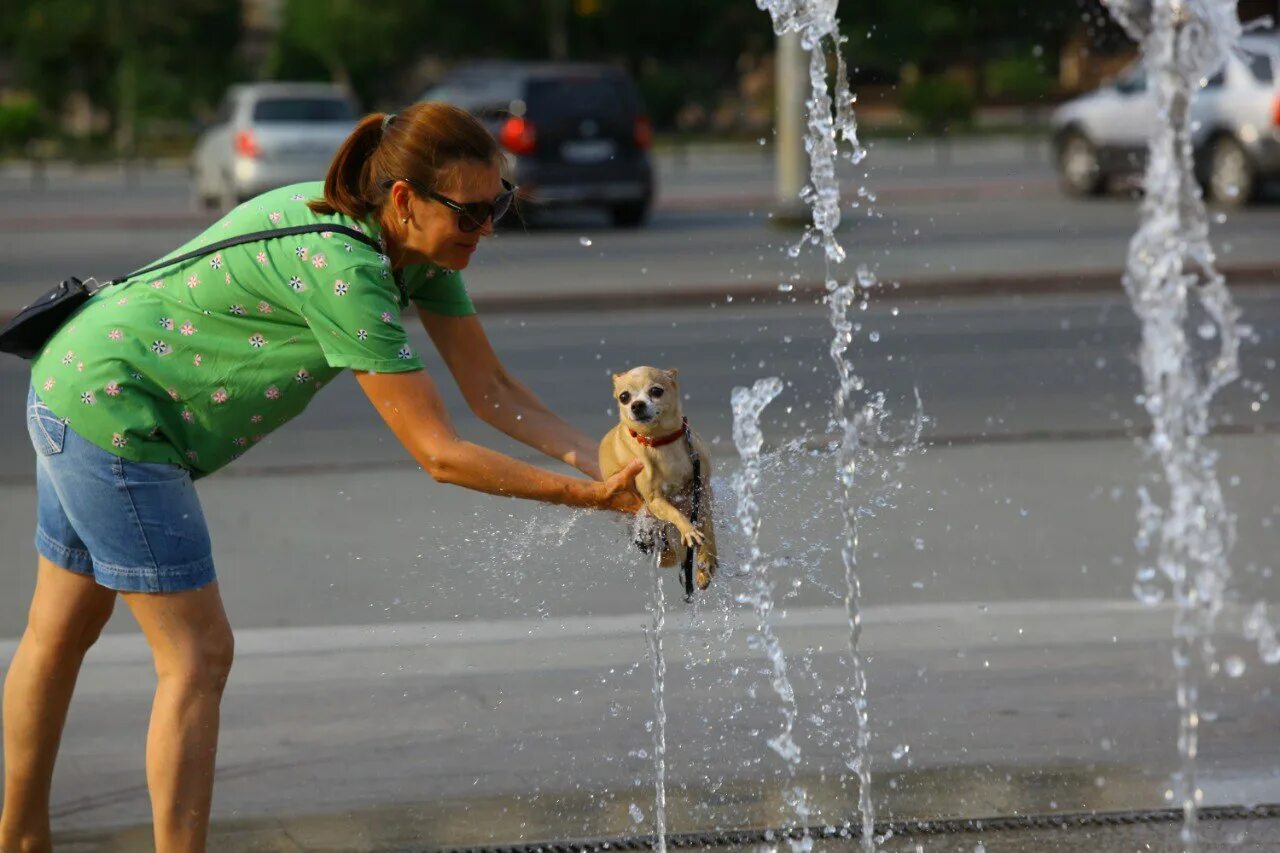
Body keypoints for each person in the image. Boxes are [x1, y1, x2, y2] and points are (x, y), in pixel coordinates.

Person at [0, 102, 643, 853]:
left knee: (62, 628)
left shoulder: (415, 248)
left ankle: (19, 839)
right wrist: (592, 497)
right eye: (471, 213)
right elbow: (438, 452)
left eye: (499, 204)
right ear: (404, 199)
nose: (488, 229)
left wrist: (615, 460)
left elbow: (492, 391)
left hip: (74, 378)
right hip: (117, 416)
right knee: (198, 655)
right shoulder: (350, 270)